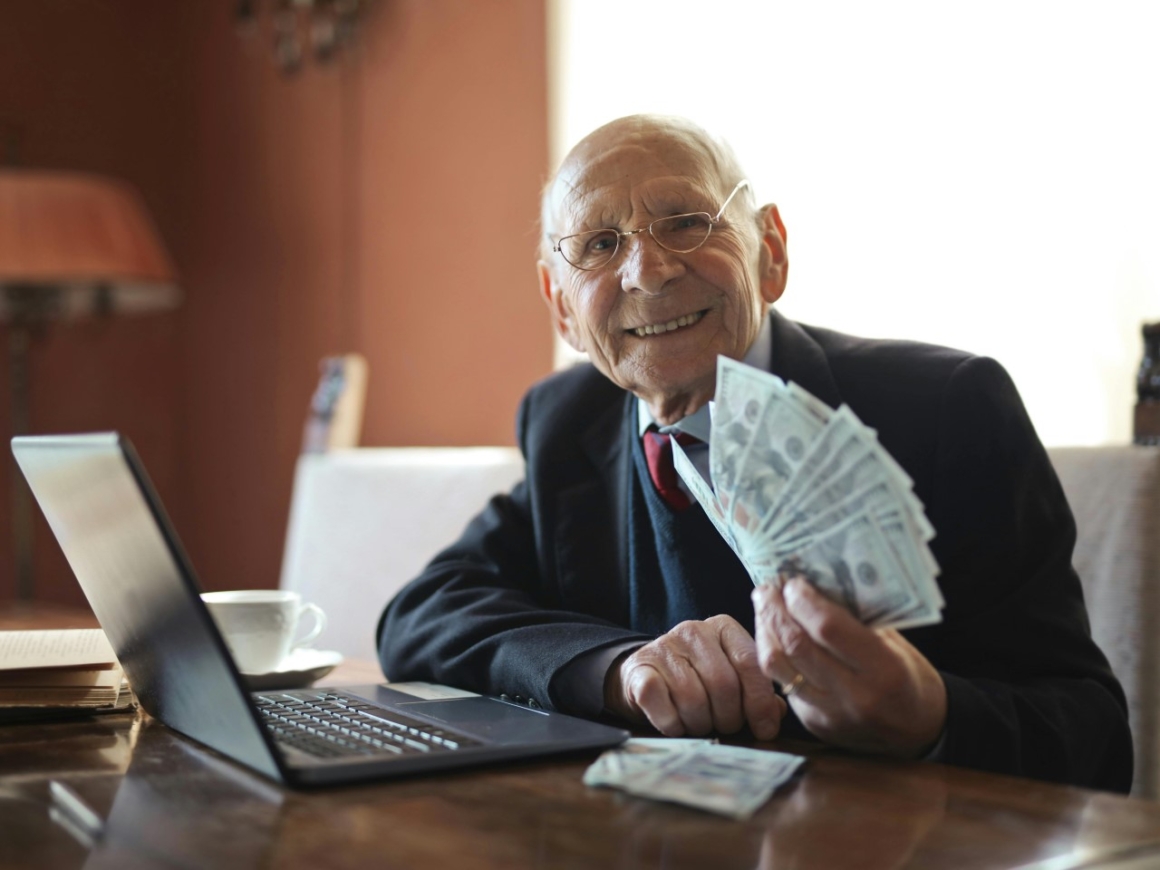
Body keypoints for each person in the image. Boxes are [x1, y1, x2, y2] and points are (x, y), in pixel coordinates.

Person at [377, 114, 1133, 792]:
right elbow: (423, 613)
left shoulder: (947, 408)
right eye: (601, 244)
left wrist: (927, 713)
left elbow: (1094, 738)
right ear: (561, 307)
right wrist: (619, 668)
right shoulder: (568, 421)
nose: (649, 269)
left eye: (684, 222)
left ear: (770, 250)